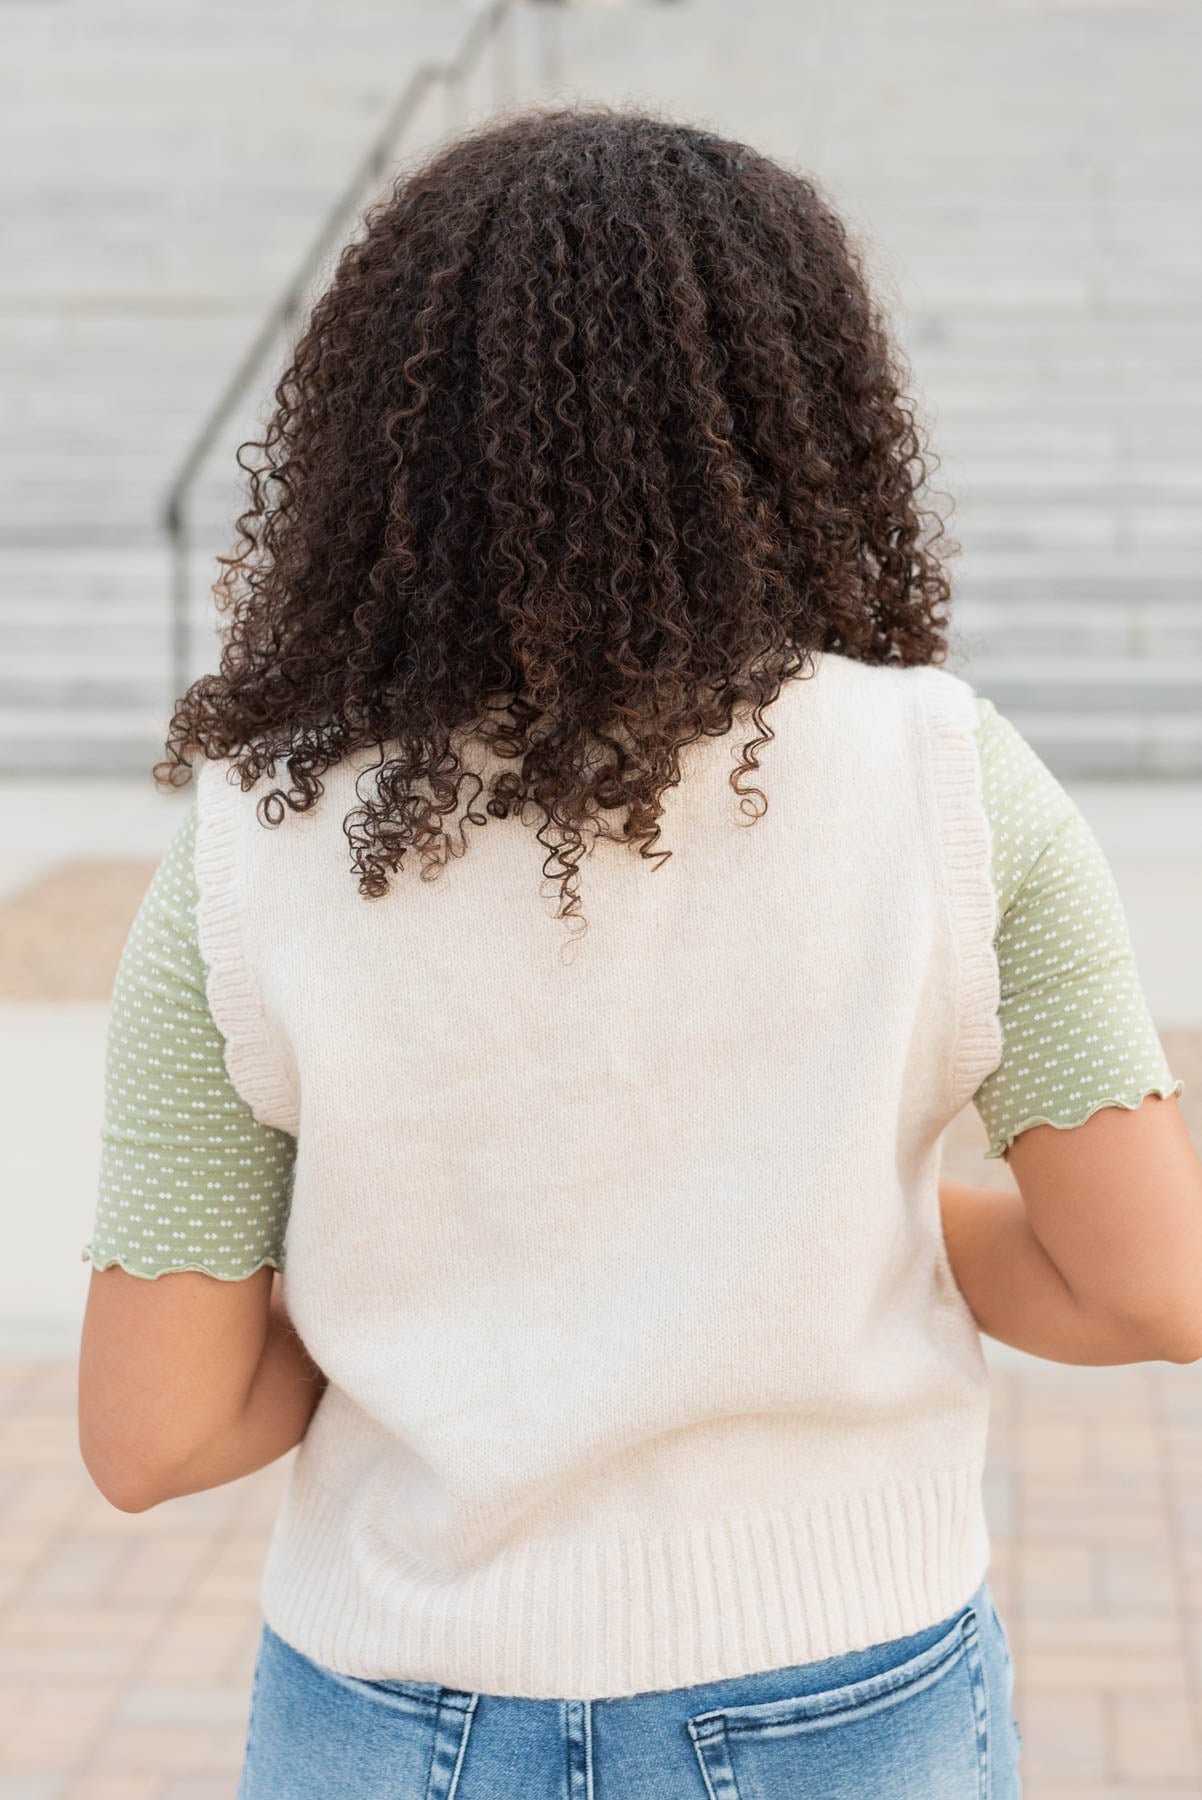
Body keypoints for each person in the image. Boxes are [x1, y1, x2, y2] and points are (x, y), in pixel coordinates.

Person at [76, 108, 1201, 1799]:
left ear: (382, 443)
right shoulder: (948, 781)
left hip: (392, 1711)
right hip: (847, 1697)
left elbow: (150, 1432)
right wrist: (797, 1258)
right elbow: (1148, 1283)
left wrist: (447, 1311)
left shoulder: (250, 843)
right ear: (803, 414)